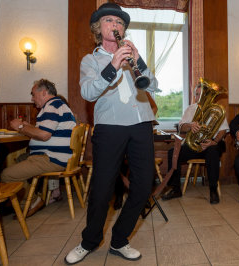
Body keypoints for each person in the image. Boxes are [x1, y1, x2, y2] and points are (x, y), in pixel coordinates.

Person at [65, 3, 158, 264]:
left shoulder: (132, 57)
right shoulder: (90, 60)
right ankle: (89, 241)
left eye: (119, 22)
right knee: (102, 189)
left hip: (141, 123)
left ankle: (119, 240)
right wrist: (113, 66)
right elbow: (87, 93)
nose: (115, 25)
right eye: (108, 21)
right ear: (98, 28)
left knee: (143, 185)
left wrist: (138, 61)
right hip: (110, 128)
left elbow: (155, 86)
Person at [0, 79, 76, 216]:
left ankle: (33, 201)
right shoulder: (56, 106)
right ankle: (21, 201)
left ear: (44, 93)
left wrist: (21, 127)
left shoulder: (52, 106)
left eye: (33, 94)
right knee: (19, 159)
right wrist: (27, 126)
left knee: (6, 174)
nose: (32, 98)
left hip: (52, 158)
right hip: (57, 156)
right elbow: (44, 131)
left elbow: (44, 135)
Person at [161, 82, 229, 204]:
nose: (198, 97)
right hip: (194, 144)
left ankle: (213, 190)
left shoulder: (216, 109)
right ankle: (176, 188)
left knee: (213, 152)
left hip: (210, 144)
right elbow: (181, 127)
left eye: (200, 94)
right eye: (196, 95)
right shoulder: (190, 109)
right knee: (173, 152)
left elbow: (223, 130)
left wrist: (213, 141)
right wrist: (190, 126)